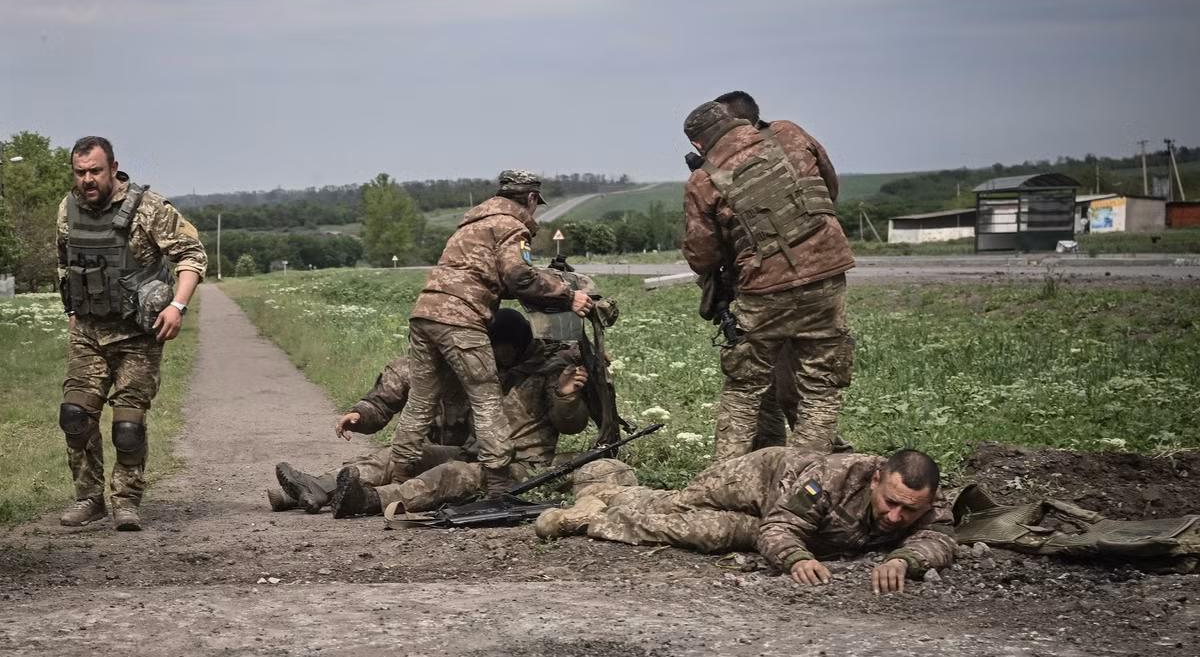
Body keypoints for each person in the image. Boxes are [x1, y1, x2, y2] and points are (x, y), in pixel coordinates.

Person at [387, 170, 592, 496]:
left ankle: (398, 473)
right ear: (529, 199)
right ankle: (498, 484)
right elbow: (519, 276)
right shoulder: (512, 226)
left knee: (421, 400)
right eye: (535, 204)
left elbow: (485, 277)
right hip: (461, 319)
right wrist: (569, 295)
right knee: (486, 399)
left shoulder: (471, 224)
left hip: (425, 312)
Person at [682, 95, 855, 460]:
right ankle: (805, 480)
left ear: (699, 144)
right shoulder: (789, 134)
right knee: (821, 387)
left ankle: (723, 481)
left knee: (744, 388)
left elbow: (703, 257)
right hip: (826, 273)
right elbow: (829, 188)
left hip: (763, 289)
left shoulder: (702, 180)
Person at [538, 448, 956, 594]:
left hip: (767, 518)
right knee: (679, 509)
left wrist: (906, 560)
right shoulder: (832, 479)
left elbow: (940, 536)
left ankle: (595, 513)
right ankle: (602, 501)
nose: (895, 516)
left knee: (708, 533)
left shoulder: (927, 499)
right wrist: (794, 558)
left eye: (909, 511)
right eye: (889, 503)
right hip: (759, 479)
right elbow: (781, 527)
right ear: (877, 478)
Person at [56, 136, 207, 531]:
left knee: (127, 425)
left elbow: (192, 255)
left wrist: (178, 305)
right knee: (75, 415)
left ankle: (126, 502)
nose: (88, 179)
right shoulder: (68, 208)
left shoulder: (147, 208)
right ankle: (90, 499)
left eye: (95, 171)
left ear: (113, 167)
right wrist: (72, 310)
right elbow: (65, 262)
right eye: (80, 172)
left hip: (139, 335)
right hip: (89, 331)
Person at [332, 311, 592, 518]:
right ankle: (321, 487)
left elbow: (571, 424)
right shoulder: (485, 368)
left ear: (518, 344)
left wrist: (565, 395)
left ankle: (371, 499)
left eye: (500, 348)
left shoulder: (550, 370)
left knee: (452, 474)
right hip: (472, 451)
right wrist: (362, 414)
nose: (493, 354)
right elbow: (400, 382)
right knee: (400, 454)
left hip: (519, 464)